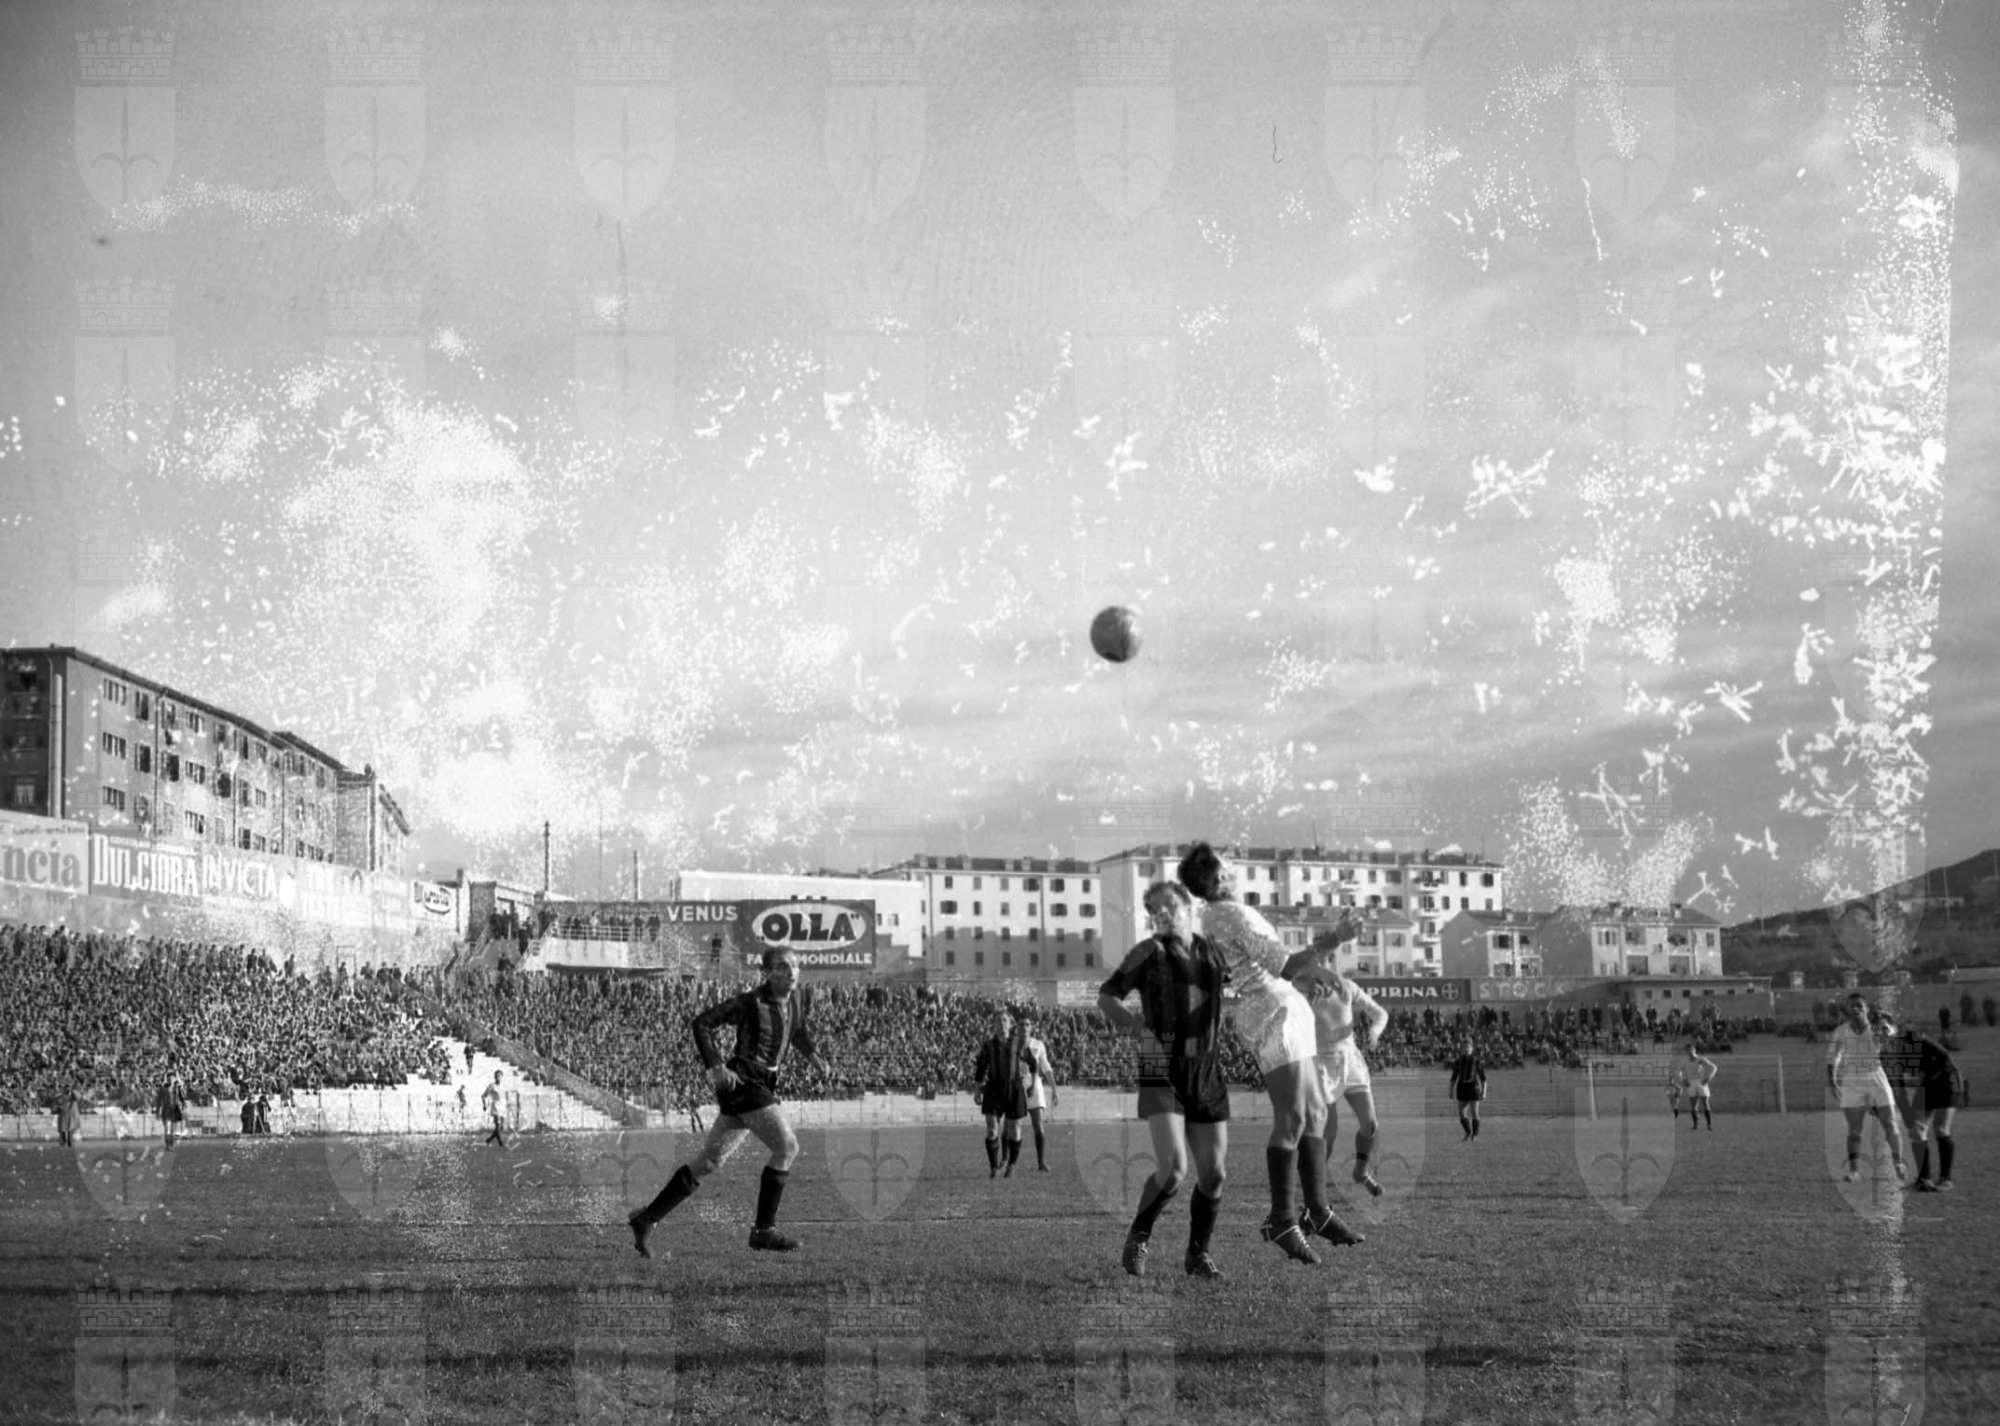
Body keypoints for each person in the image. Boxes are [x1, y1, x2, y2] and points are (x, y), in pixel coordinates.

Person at [1178, 842, 1362, 1263]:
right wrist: (1336, 938)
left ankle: (1316, 1212)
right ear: (1218, 876)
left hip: (1282, 1005)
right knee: (1293, 1117)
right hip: (1271, 1013)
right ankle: (1282, 1218)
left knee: (1316, 1113)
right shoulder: (1231, 914)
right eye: (1227, 864)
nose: (1234, 868)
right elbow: (1286, 965)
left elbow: (1271, 968)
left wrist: (1304, 979)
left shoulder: (1220, 915)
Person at [628, 947, 830, 1256]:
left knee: (709, 1162)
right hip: (745, 1081)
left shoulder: (797, 999)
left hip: (758, 1084)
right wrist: (716, 1065)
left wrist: (814, 1056)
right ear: (767, 973)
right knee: (787, 1147)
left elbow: (796, 1029)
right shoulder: (751, 1002)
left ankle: (646, 1219)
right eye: (782, 966)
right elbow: (702, 1023)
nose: (791, 971)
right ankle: (764, 1231)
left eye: (795, 965)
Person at [1097, 880, 1231, 1279]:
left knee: (1214, 1174)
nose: (1164, 913)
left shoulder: (1214, 952)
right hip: (1161, 1064)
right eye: (1155, 909)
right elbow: (1107, 996)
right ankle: (1139, 1236)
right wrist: (1140, 1031)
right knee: (1173, 1168)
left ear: (1188, 905)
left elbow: (1247, 982)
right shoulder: (1147, 952)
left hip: (1206, 1068)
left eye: (1170, 904)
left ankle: (1197, 1255)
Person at [1298, 964, 1390, 1198]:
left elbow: (1380, 1013)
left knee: (1370, 1124)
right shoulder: (1302, 992)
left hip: (1351, 1062)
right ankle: (1314, 1191)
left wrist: (1375, 1032)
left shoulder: (1348, 988)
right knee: (1328, 1132)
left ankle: (1360, 1172)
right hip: (1321, 1065)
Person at [1827, 994, 1908, 1183]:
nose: (1855, 1009)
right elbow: (1833, 1058)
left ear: (1866, 1009)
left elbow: (1892, 1037)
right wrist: (1832, 1081)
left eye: (1859, 1005)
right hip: (1852, 1082)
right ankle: (1854, 1171)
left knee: (1890, 1123)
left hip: (1876, 1078)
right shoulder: (1840, 1032)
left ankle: (1898, 1164)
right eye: (1852, 1006)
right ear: (1847, 1010)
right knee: (1854, 1130)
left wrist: (1888, 1025)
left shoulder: (1877, 1028)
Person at [1886, 1025, 1962, 1192]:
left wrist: (1927, 1075)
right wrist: (1906, 1114)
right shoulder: (1887, 1057)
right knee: (1916, 1130)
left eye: (1887, 1030)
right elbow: (1898, 1088)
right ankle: (1923, 1179)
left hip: (1947, 1081)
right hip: (1927, 1085)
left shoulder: (1915, 1038)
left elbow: (1945, 1057)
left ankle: (1946, 1179)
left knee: (1941, 1129)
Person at [974, 1009, 1031, 1178]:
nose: (1001, 1023)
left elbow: (1032, 1062)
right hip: (993, 1088)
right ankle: (993, 1167)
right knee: (992, 1129)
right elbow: (980, 1069)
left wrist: (1031, 1082)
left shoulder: (1018, 1043)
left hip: (1014, 1088)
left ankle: (1011, 1165)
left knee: (1014, 1129)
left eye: (1004, 1020)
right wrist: (977, 1090)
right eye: (998, 1020)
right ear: (994, 1024)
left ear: (1010, 1024)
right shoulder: (988, 1045)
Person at [1018, 1012, 1060, 1172]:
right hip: (1017, 1087)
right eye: (1021, 1024)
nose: (1024, 1027)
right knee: (1012, 1125)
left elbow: (1046, 1067)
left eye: (1027, 1024)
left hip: (1035, 1087)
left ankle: (1041, 1163)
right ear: (1017, 1027)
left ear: (1031, 1027)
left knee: (1038, 1125)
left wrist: (1054, 1089)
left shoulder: (1038, 1045)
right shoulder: (1012, 1044)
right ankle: (1009, 1162)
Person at [1447, 1039, 1486, 1140]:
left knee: (1474, 1113)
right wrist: (1451, 1090)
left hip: (1474, 1087)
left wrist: (1484, 1092)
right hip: (1462, 1087)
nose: (1466, 1049)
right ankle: (1468, 1132)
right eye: (1464, 1047)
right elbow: (1453, 1077)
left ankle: (1475, 1135)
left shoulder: (1477, 1061)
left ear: (1472, 1048)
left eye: (1468, 1047)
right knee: (1461, 1113)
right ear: (1461, 1049)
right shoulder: (1458, 1061)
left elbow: (1483, 1078)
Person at [1685, 1044, 1717, 1131]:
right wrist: (1683, 1080)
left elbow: (1714, 1067)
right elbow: (1678, 1071)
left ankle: (1709, 1125)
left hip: (1701, 1082)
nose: (1689, 1052)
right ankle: (1695, 1125)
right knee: (1693, 1105)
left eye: (1691, 1050)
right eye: (1687, 1050)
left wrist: (1709, 1077)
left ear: (1694, 1050)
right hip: (1691, 1083)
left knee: (1705, 1103)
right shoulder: (1685, 1061)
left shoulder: (1701, 1059)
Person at [482, 1069, 510, 1149]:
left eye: (499, 1076)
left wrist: (507, 1103)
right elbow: (483, 1096)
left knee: (501, 1127)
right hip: (495, 1106)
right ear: (495, 1077)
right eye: (497, 1076)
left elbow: (505, 1096)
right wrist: (484, 1105)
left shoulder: (504, 1086)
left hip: (502, 1106)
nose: (498, 1077)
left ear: (502, 1077)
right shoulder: (492, 1086)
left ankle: (489, 1140)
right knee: (497, 1124)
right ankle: (501, 1143)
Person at [155, 1074, 184, 1150]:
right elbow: (159, 1100)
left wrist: (182, 1106)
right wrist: (157, 1111)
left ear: (174, 1079)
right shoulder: (163, 1088)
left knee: (173, 1129)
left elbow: (181, 1097)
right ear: (167, 1079)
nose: (170, 1080)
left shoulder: (177, 1088)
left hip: (174, 1109)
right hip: (166, 1109)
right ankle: (168, 1145)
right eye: (169, 1079)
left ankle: (172, 1144)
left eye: (172, 1078)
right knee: (167, 1128)